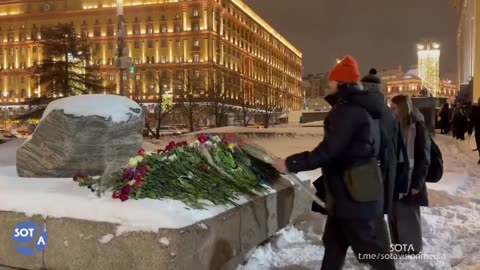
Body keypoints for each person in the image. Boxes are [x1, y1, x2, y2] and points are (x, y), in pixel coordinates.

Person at [273, 56, 395, 270]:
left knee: (370, 249)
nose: (328, 84)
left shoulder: (347, 111)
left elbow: (328, 151)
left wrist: (289, 163)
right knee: (334, 244)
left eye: (332, 79)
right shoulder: (365, 109)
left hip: (352, 193)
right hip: (353, 190)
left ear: (341, 82)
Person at [361, 68, 410, 250]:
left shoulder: (365, 111)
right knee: (378, 211)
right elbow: (398, 147)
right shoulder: (389, 113)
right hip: (387, 169)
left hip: (369, 170)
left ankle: (377, 253)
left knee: (368, 211)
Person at [389, 95, 431, 254]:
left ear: (403, 108)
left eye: (394, 108)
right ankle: (398, 247)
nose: (391, 111)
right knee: (395, 215)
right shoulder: (394, 126)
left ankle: (411, 251)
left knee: (408, 217)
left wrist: (417, 184)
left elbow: (424, 158)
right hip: (396, 178)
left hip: (411, 179)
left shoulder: (417, 127)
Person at [468, 98, 480, 164]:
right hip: (478, 130)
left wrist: (470, 131)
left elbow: (471, 122)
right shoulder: (475, 111)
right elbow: (471, 122)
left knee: (479, 144)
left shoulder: (475, 111)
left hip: (478, 131)